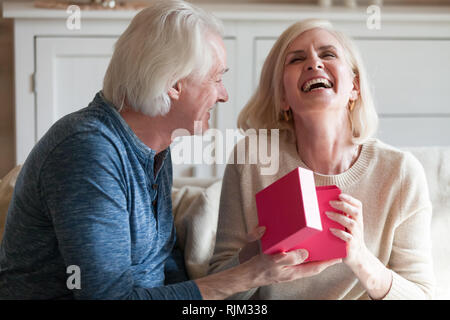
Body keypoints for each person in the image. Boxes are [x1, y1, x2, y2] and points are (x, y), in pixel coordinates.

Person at [0, 1, 341, 300]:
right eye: (216, 78)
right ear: (174, 84)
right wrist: (249, 275)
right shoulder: (87, 152)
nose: (223, 95)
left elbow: (166, 267)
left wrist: (248, 261)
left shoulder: (155, 148)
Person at [209, 19, 435, 300]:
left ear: (354, 87)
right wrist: (256, 256)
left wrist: (361, 258)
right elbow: (216, 292)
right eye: (297, 59)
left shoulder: (401, 172)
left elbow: (424, 295)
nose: (314, 63)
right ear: (283, 98)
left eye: (328, 54)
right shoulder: (251, 160)